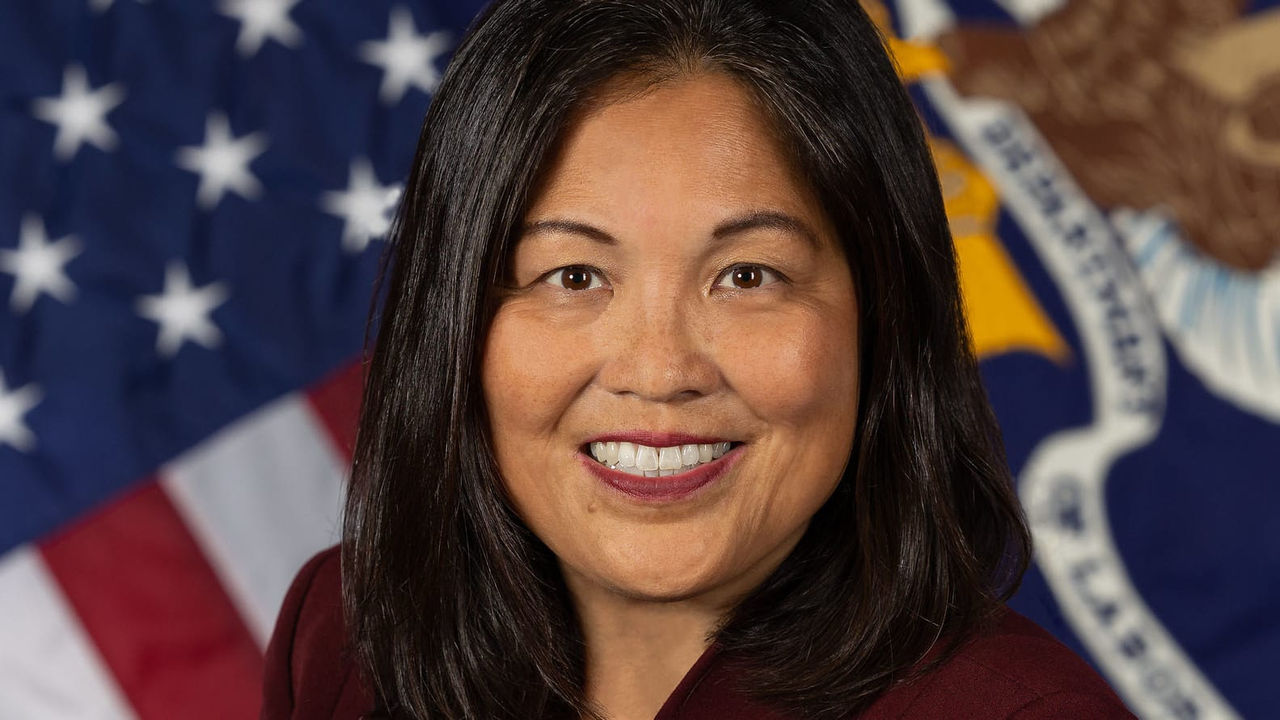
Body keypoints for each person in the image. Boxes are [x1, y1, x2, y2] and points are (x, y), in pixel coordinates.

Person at [262, 1, 1137, 718]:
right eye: (574, 275)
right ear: (452, 322)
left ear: (885, 314)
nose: (659, 367)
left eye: (746, 275)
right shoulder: (348, 637)